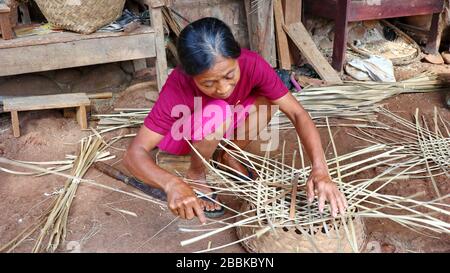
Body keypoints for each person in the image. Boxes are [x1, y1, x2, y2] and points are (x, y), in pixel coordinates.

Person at [123, 17, 347, 224]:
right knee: (219, 110)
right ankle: (196, 175)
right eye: (208, 83)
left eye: (229, 76)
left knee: (270, 99)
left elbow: (298, 113)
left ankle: (229, 153)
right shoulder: (178, 84)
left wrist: (320, 168)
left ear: (237, 57)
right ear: (190, 75)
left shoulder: (253, 64)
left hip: (227, 121)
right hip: (185, 135)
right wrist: (172, 184)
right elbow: (135, 153)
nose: (222, 88)